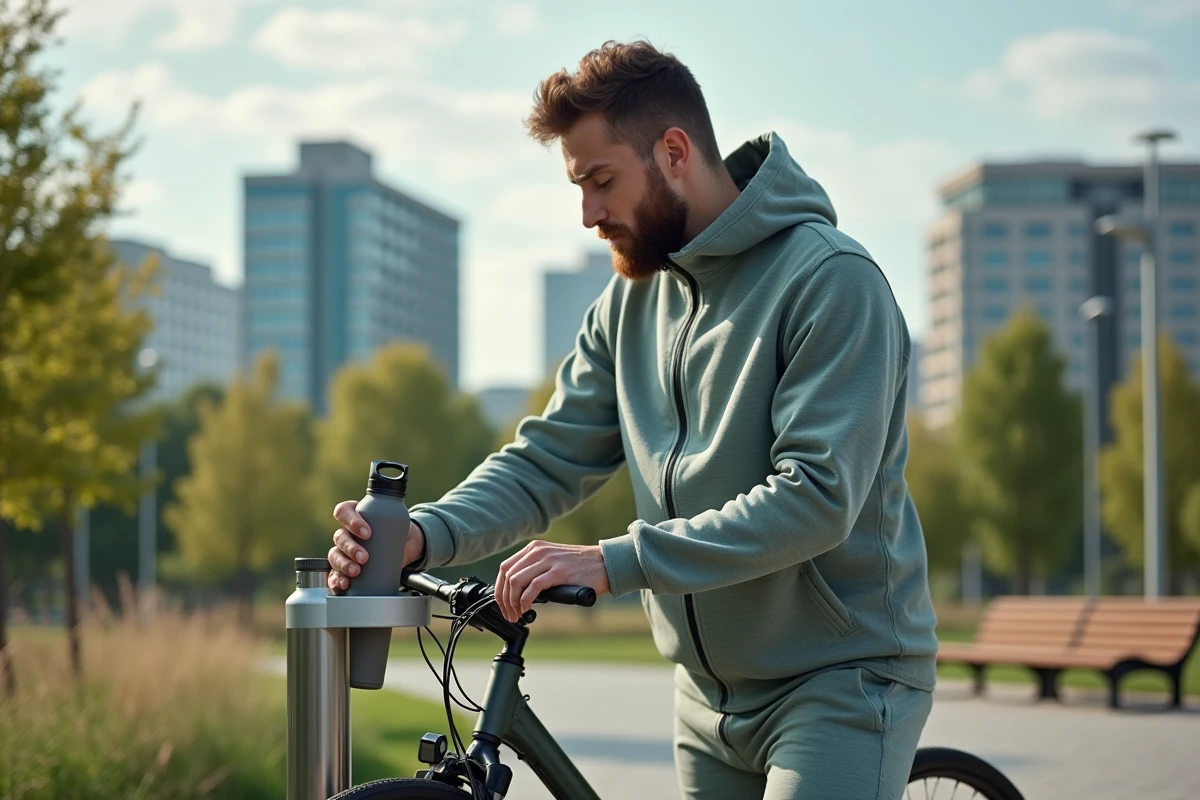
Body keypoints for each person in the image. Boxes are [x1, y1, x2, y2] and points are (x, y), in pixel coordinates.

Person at [327, 40, 938, 800]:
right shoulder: (629, 305)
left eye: (601, 181)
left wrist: (612, 561)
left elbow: (816, 498)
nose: (588, 214)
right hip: (705, 698)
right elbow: (547, 459)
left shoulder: (831, 283)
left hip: (841, 682)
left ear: (674, 152)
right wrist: (427, 532)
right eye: (578, 187)